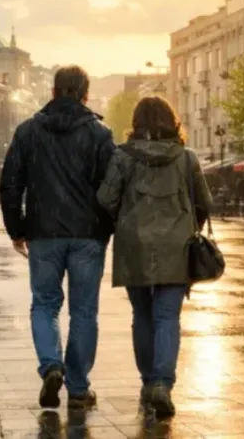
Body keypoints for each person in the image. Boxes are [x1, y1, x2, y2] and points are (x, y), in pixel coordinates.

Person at [0, 65, 116, 410]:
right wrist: (106, 228)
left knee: (45, 304)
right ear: (86, 95)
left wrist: (17, 228)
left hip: (44, 233)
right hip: (87, 236)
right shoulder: (100, 134)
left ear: (52, 92)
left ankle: (51, 365)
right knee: (84, 311)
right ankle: (78, 388)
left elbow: (9, 184)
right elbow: (113, 188)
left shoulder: (28, 132)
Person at [96, 96, 212, 418]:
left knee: (143, 316)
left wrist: (125, 216)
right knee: (167, 317)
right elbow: (205, 202)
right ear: (171, 120)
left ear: (136, 123)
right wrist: (189, 226)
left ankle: (148, 383)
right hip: (176, 247)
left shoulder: (122, 156)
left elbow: (105, 199)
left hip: (134, 245)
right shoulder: (187, 158)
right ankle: (162, 383)